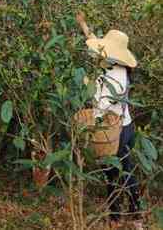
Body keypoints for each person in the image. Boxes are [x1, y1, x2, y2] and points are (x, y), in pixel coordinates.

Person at [76, 13, 143, 230]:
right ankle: (119, 216)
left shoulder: (116, 74)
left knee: (119, 172)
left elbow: (103, 103)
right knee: (115, 171)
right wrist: (83, 25)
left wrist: (86, 83)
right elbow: (94, 41)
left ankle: (131, 216)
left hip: (118, 130)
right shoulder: (109, 64)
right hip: (121, 127)